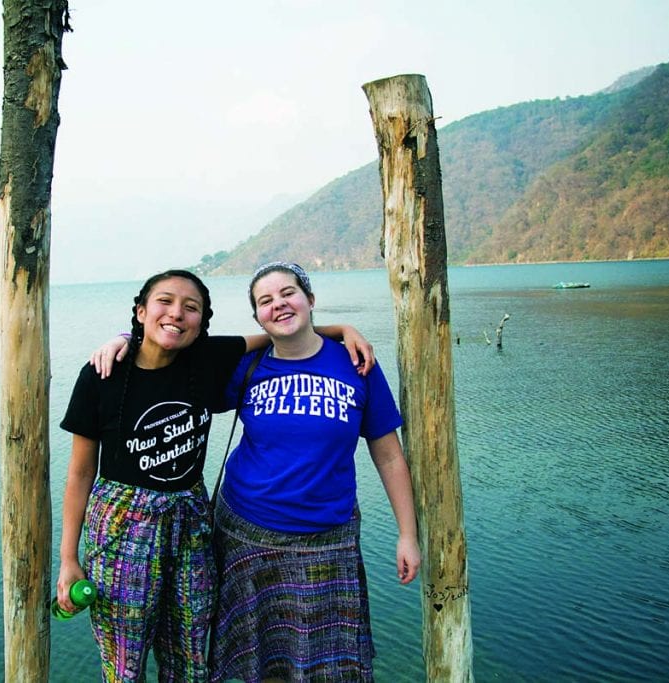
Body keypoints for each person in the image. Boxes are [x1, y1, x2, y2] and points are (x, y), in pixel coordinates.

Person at [56, 269, 375, 683]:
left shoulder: (208, 360)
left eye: (191, 308)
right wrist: (67, 558)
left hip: (190, 522)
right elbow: (81, 473)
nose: (176, 314)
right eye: (164, 302)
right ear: (140, 311)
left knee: (191, 651)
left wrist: (342, 329)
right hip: (123, 526)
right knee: (125, 658)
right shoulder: (103, 374)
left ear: (202, 323)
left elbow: (278, 334)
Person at [208, 262, 420, 683]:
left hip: (329, 540)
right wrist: (126, 338)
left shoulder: (356, 364)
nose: (279, 305)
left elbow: (389, 454)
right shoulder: (248, 366)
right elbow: (177, 363)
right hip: (246, 535)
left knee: (329, 664)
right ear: (256, 318)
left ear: (310, 299)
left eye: (288, 293)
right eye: (265, 301)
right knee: (261, 657)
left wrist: (407, 534)